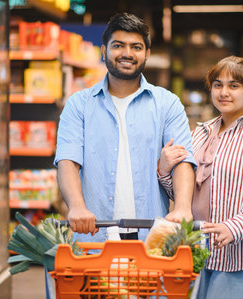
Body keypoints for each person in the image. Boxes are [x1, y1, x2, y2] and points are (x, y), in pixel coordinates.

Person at [54, 12, 196, 242]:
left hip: (151, 237)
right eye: (118, 45)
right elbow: (67, 159)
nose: (127, 54)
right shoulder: (79, 105)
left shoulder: (166, 104)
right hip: (94, 234)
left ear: (147, 54)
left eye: (136, 47)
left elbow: (183, 160)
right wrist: (77, 207)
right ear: (104, 51)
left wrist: (181, 207)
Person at [158, 56, 243, 299]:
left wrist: (234, 227)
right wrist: (165, 169)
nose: (224, 92)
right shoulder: (201, 132)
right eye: (218, 85)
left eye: (234, 85)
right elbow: (182, 194)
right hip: (203, 254)